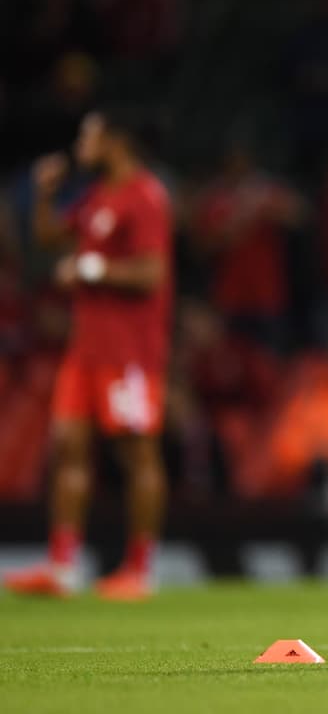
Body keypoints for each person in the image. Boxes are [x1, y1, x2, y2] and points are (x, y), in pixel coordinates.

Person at [4, 106, 174, 601]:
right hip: (86, 350)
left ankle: (141, 569)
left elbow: (151, 275)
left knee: (136, 455)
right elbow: (49, 237)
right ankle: (62, 565)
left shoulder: (146, 196)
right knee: (67, 448)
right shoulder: (98, 196)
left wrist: (90, 269)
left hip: (130, 353)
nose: (82, 145)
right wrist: (44, 192)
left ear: (115, 141)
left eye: (89, 136)